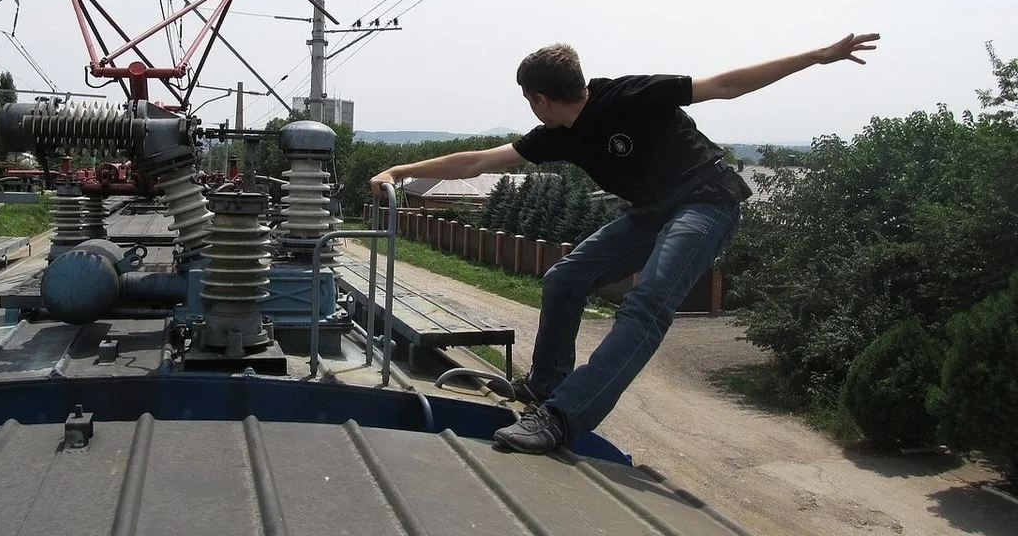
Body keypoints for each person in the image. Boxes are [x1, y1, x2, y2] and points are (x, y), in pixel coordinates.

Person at [369, 33, 879, 454]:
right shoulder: (556, 136)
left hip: (707, 201)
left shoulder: (629, 95)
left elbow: (725, 85)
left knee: (647, 304)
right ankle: (544, 384)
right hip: (653, 213)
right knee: (565, 277)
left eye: (529, 100)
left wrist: (816, 56)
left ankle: (562, 417)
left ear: (539, 98)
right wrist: (399, 169)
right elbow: (475, 162)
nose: (529, 108)